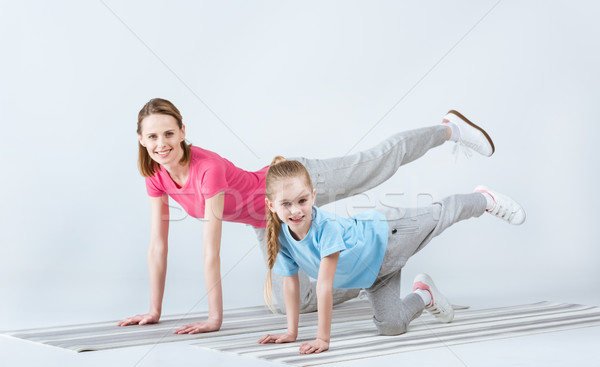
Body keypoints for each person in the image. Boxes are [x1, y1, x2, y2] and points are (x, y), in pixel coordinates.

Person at [118, 98, 497, 334]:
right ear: (140, 139)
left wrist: (213, 320)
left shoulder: (207, 169)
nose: (161, 144)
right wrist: (154, 310)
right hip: (271, 221)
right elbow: (157, 245)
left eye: (168, 133)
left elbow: (210, 251)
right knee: (294, 305)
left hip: (293, 183)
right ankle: (375, 277)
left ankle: (449, 129)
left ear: (183, 131)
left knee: (379, 164)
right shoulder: (156, 176)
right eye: (151, 137)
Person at [258, 158, 525, 354]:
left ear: (313, 197)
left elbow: (324, 286)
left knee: (442, 214)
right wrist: (291, 332)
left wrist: (322, 339)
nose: (296, 210)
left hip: (389, 236)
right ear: (271, 205)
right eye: (286, 204)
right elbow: (290, 283)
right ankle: (424, 294)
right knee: (391, 326)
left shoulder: (324, 228)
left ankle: (484, 199)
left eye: (302, 201)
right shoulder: (281, 237)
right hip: (375, 274)